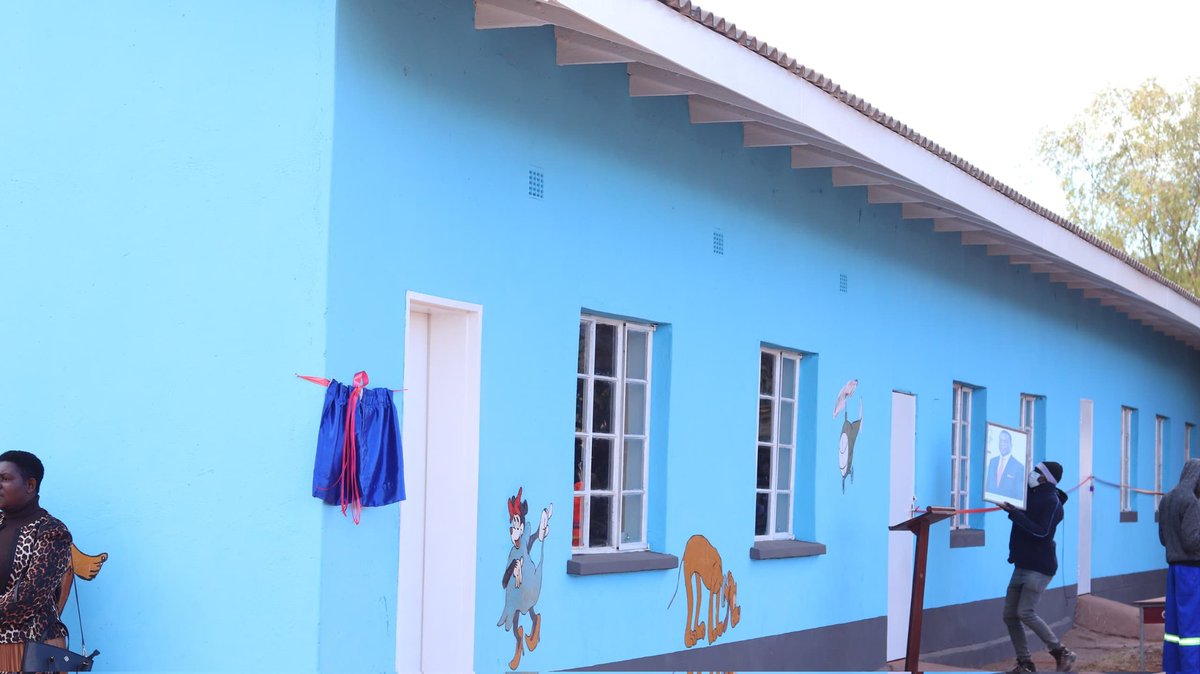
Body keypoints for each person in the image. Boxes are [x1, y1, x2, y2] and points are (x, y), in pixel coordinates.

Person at [998, 460, 1076, 673]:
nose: (1031, 474)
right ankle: (1026, 664)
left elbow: (1041, 532)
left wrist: (1015, 514)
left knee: (1025, 612)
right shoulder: (1031, 494)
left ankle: (1061, 652)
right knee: (1010, 615)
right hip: (1022, 563)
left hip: (1039, 567)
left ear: (1046, 478)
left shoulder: (1052, 502)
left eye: (1036, 471)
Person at [0, 451, 72, 671]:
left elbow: (30, 596)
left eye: (5, 478)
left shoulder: (52, 532)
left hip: (32, 646)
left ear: (30, 485)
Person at [1158, 458, 1200, 673]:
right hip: (1193, 571)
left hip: (1174, 569)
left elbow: (1163, 538)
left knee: (1174, 627)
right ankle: (1192, 668)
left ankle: (1174, 667)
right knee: (1193, 626)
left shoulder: (1167, 499)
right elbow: (1192, 540)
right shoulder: (1191, 501)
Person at [987, 430, 1025, 499]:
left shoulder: (1018, 467)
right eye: (1000, 441)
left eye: (1005, 441)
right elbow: (988, 487)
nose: (1002, 444)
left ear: (1011, 445)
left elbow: (1019, 495)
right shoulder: (992, 461)